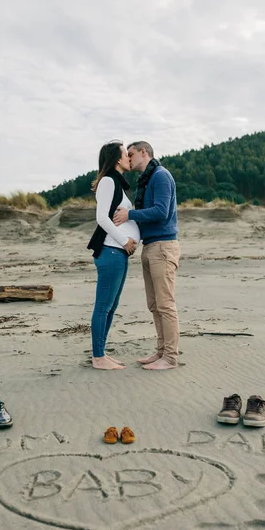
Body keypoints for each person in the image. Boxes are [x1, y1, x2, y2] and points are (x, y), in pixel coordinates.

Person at [113, 141, 180, 370]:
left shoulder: (160, 176)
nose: (128, 158)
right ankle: (161, 352)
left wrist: (130, 214)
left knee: (165, 304)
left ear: (144, 153)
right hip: (151, 246)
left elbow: (162, 212)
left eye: (131, 154)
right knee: (154, 304)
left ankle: (170, 358)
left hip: (163, 246)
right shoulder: (149, 179)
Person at [87, 141, 140, 370]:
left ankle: (102, 353)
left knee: (111, 305)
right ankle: (98, 357)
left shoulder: (116, 183)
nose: (129, 158)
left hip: (118, 253)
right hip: (111, 251)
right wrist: (125, 240)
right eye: (125, 154)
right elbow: (102, 218)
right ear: (117, 160)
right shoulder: (108, 181)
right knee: (103, 306)